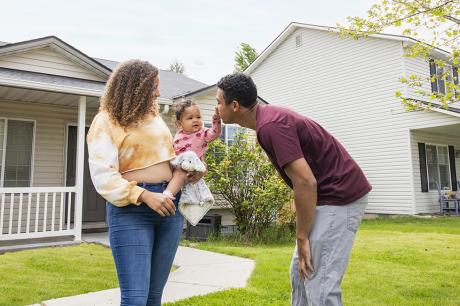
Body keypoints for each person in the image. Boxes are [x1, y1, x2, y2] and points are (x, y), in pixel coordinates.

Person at [215, 73, 372, 306]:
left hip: (339, 196)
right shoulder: (266, 121)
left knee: (320, 281)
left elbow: (306, 182)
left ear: (235, 105)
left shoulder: (271, 126)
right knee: (300, 275)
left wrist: (302, 237)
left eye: (218, 102)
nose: (216, 108)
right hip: (325, 197)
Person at [87, 59, 201, 306]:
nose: (159, 92)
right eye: (154, 86)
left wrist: (185, 170)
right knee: (135, 298)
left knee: (153, 298)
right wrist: (144, 195)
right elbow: (102, 175)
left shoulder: (155, 119)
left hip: (168, 206)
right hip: (132, 210)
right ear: (135, 87)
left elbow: (165, 159)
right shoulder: (106, 121)